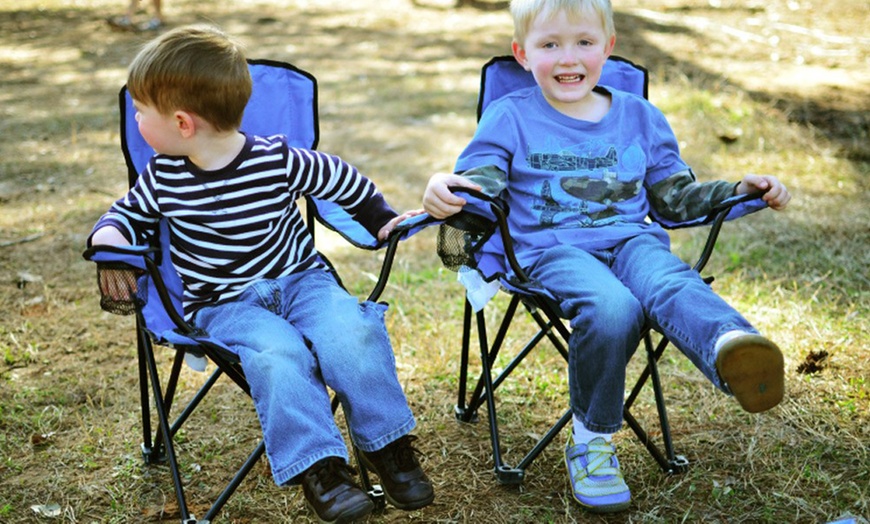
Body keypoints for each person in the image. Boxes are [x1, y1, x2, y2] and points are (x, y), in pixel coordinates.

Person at [422, 0, 791, 514]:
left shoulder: (640, 117)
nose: (567, 57)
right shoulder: (509, 116)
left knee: (671, 282)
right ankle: (591, 441)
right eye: (549, 45)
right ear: (522, 54)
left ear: (608, 49)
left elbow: (673, 199)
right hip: (553, 251)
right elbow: (482, 183)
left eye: (584, 43)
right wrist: (449, 190)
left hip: (631, 241)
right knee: (614, 307)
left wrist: (739, 191)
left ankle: (730, 347)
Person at [88, 25, 434, 523]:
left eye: (142, 113)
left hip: (303, 282)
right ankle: (322, 469)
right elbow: (124, 215)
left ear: (182, 123)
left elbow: (342, 179)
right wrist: (109, 240)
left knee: (351, 332)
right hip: (225, 304)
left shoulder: (276, 159)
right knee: (279, 354)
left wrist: (381, 221)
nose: (137, 120)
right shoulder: (162, 179)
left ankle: (389, 447)